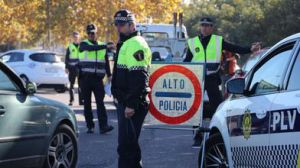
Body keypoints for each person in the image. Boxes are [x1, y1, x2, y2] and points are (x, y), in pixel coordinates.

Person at [184, 17, 261, 147]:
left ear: (212, 27)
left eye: (207, 25)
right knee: (195, 108)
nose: (204, 27)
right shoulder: (192, 42)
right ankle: (198, 135)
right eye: (202, 25)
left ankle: (218, 134)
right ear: (200, 27)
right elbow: (186, 62)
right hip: (196, 79)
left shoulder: (218, 40)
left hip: (212, 78)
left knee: (217, 106)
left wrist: (250, 49)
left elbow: (235, 48)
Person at [111, 9, 152, 168]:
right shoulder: (127, 43)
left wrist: (131, 104)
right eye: (116, 24)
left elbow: (139, 78)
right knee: (130, 148)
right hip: (126, 101)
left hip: (132, 103)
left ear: (132, 25)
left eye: (121, 24)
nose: (118, 28)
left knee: (126, 148)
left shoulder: (135, 43)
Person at [78, 23, 114, 134]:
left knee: (100, 103)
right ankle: (90, 126)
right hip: (85, 79)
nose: (91, 35)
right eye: (89, 33)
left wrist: (109, 75)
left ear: (96, 33)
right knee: (87, 103)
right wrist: (105, 46)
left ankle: (103, 126)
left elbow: (106, 62)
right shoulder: (83, 44)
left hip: (98, 79)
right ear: (86, 34)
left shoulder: (102, 45)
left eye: (93, 33)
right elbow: (90, 48)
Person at [65, 31, 83, 106]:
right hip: (71, 68)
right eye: (74, 37)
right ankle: (71, 100)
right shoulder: (69, 47)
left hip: (80, 68)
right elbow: (67, 58)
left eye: (77, 37)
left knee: (81, 85)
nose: (75, 38)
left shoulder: (82, 46)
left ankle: (81, 101)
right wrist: (66, 67)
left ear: (79, 38)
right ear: (72, 38)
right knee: (71, 85)